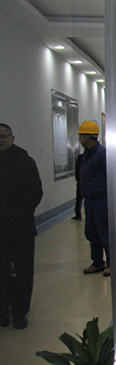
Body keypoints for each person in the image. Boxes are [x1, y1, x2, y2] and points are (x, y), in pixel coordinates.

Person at [0, 123, 43, 329]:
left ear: (12, 138)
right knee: (3, 271)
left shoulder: (25, 162)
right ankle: (5, 308)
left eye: (4, 136)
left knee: (23, 271)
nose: (0, 140)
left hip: (21, 228)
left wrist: (20, 213)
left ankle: (20, 312)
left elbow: (36, 192)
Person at [78, 121, 110, 277]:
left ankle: (110, 263)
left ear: (88, 137)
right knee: (92, 232)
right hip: (89, 200)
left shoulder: (102, 153)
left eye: (81, 136)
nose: (80, 139)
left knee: (104, 231)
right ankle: (97, 262)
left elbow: (109, 176)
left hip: (100, 199)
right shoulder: (86, 154)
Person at [72, 151, 85, 220]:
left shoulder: (81, 158)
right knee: (79, 200)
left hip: (84, 182)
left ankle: (78, 214)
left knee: (79, 199)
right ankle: (78, 214)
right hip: (81, 182)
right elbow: (77, 170)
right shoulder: (81, 157)